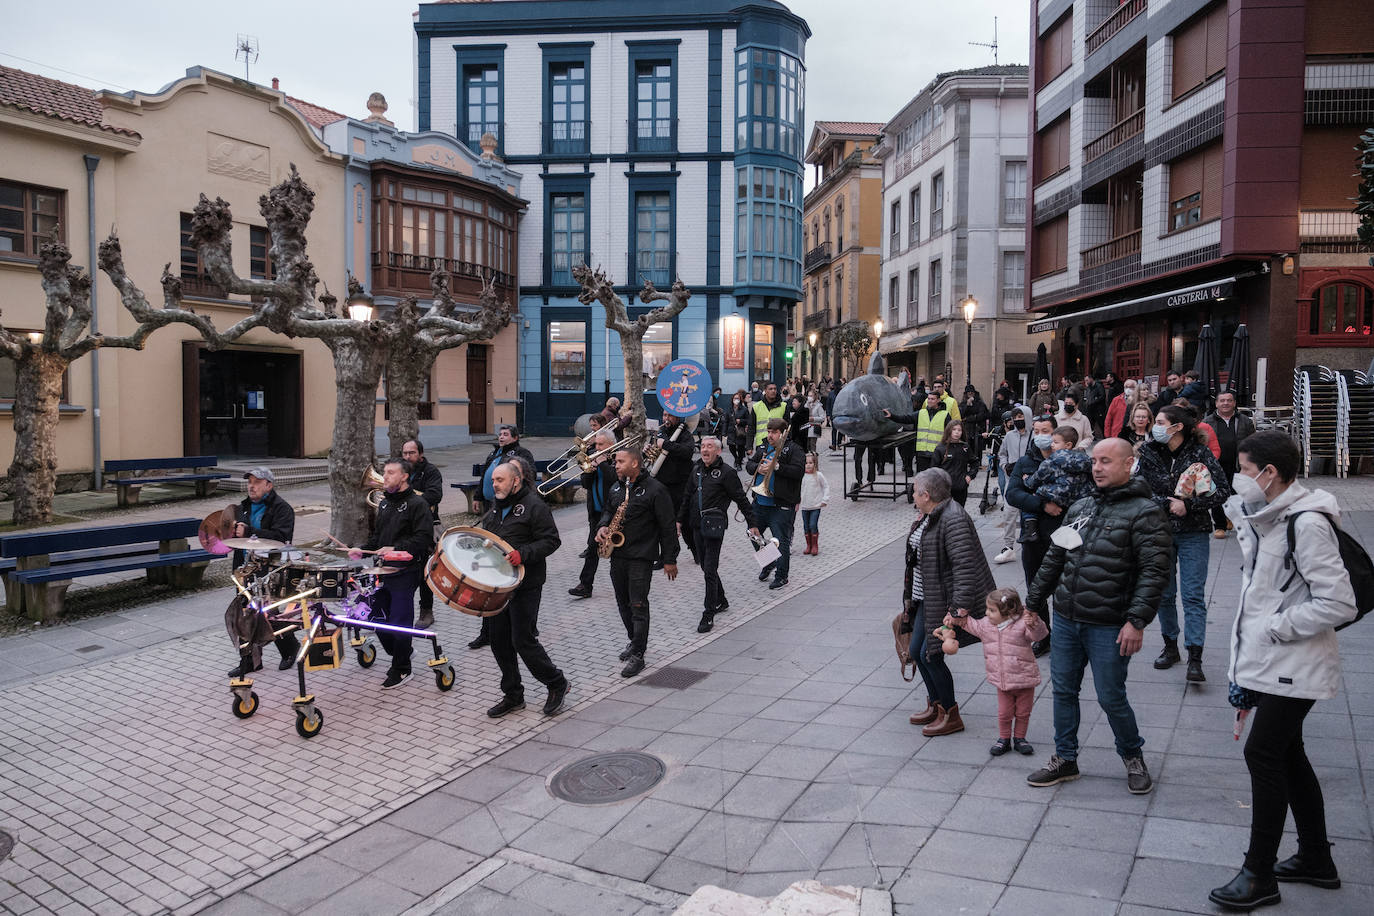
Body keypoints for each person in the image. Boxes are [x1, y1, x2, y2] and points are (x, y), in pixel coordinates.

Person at [1207, 431, 1357, 911]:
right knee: (1289, 756)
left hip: (1295, 660)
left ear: (1270, 474)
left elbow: (1338, 601)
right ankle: (1316, 858)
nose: (1239, 477)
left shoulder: (1306, 523)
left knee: (1264, 754)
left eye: (1245, 469)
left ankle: (1258, 874)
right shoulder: (1272, 519)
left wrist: (1278, 627)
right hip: (1276, 661)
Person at [1025, 438, 1172, 794]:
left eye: (1106, 461)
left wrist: (1136, 621)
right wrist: (1032, 602)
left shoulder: (1146, 512)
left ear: (1128, 465)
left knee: (1110, 695)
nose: (1098, 468)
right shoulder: (1081, 507)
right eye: (1095, 461)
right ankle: (1065, 758)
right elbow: (1054, 558)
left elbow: (1155, 572)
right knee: (1062, 690)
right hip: (1067, 618)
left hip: (1110, 623)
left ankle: (1132, 755)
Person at [1136, 404, 1230, 681]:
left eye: (1162, 422)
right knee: (1164, 594)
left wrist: (1190, 506)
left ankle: (1195, 656)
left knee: (1192, 595)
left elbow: (1222, 490)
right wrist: (1167, 503)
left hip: (1193, 532)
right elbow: (1138, 490)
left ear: (1177, 427)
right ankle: (1170, 646)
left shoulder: (1200, 453)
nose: (1156, 426)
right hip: (1159, 532)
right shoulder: (1149, 452)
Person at [902, 468, 995, 737]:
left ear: (926, 494)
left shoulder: (952, 518)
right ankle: (936, 705)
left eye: (915, 489)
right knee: (921, 652)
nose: (912, 494)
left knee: (930, 655)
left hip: (941, 600)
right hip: (925, 596)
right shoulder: (931, 515)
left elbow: (965, 567)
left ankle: (950, 714)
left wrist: (957, 609)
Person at [479, 461, 570, 718]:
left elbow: (552, 540)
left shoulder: (535, 506)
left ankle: (556, 683)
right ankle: (513, 695)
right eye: (493, 480)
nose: (494, 484)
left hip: (526, 584)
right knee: (498, 640)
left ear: (515, 481)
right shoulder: (496, 508)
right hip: (498, 585)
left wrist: (523, 554)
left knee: (522, 640)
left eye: (499, 480)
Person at [349, 458, 435, 689]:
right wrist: (362, 548)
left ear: (404, 476)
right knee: (375, 617)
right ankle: (403, 650)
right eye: (384, 473)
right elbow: (379, 538)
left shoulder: (418, 504)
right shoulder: (385, 503)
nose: (384, 477)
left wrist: (396, 549)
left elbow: (424, 539)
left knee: (399, 621)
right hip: (382, 570)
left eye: (389, 473)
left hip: (406, 571)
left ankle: (402, 669)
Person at [596, 446, 679, 677]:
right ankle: (634, 640)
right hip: (618, 556)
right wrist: (602, 527)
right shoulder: (616, 486)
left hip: (641, 557)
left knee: (638, 605)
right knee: (623, 604)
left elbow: (668, 527)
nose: (616, 465)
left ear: (635, 463)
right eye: (616, 461)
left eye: (620, 461)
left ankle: (638, 655)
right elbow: (607, 512)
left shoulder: (655, 489)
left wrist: (670, 559)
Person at [945, 587, 1048, 756]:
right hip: (1002, 680)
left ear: (1008, 612)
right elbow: (970, 624)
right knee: (1004, 712)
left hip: (1024, 678)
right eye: (987, 609)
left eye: (992, 610)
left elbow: (1039, 635)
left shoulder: (1023, 623)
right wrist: (955, 618)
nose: (987, 613)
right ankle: (1004, 739)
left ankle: (1020, 738)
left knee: (1023, 712)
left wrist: (1034, 623)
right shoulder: (986, 625)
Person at [678, 436, 759, 633]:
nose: (704, 450)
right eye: (703, 446)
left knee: (710, 569)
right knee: (706, 567)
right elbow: (687, 496)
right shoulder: (696, 470)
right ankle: (721, 600)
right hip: (696, 525)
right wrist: (679, 520)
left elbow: (741, 500)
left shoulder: (727, 473)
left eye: (709, 447)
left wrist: (753, 524)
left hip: (714, 527)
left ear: (718, 451)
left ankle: (708, 614)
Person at [224, 467, 299, 677]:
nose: (252, 485)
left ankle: (290, 649)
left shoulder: (282, 509)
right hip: (244, 569)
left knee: (268, 613)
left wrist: (250, 532)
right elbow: (235, 537)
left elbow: (281, 537)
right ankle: (249, 661)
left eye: (257, 482)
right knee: (243, 615)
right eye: (250, 481)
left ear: (269, 485)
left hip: (269, 569)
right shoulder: (242, 508)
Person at [469, 426, 536, 650]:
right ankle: (486, 632)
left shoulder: (522, 454)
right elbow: (485, 478)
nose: (501, 436)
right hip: (495, 505)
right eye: (500, 433)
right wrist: (479, 495)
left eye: (506, 434)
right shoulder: (494, 454)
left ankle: (525, 630)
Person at [1003, 415, 1062, 655]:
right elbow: (1012, 494)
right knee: (1035, 588)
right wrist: (1042, 504)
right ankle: (1043, 635)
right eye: (1036, 431)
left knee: (1062, 589)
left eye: (1045, 430)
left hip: (1061, 535)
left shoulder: (1067, 460)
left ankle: (1065, 636)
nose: (1040, 435)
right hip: (1033, 537)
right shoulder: (1026, 461)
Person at [746, 417, 806, 590]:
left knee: (781, 540)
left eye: (774, 432)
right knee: (752, 533)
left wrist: (777, 467)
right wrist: (759, 467)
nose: (770, 435)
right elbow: (749, 465)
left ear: (783, 433)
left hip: (781, 504)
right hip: (760, 502)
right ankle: (769, 561)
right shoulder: (763, 447)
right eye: (769, 431)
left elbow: (798, 472)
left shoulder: (793, 449)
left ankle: (781, 577)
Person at [569, 430, 618, 599]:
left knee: (616, 552)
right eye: (596, 444)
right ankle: (585, 585)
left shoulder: (617, 458)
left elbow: (616, 480)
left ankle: (621, 584)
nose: (596, 448)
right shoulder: (593, 458)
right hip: (596, 513)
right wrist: (589, 470)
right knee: (592, 549)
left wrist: (603, 464)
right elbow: (586, 485)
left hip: (613, 514)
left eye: (600, 445)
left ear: (611, 445)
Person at [402, 439, 443, 630]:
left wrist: (410, 501)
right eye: (405, 453)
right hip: (403, 528)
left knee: (424, 574)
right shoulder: (401, 470)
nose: (408, 457)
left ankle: (427, 611)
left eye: (411, 453)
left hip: (425, 526)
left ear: (420, 453)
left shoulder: (431, 471)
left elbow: (435, 495)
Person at [1205, 389, 1256, 539]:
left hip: (1238, 465)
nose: (1225, 403)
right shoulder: (1207, 421)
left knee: (1238, 496)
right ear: (1216, 404)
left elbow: (1253, 442)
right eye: (1222, 400)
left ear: (1234, 403)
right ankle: (1220, 526)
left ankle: (1239, 522)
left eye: (1229, 400)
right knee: (1215, 495)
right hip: (1216, 465)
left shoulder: (1245, 421)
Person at [650, 414, 696, 563]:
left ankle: (696, 550)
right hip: (661, 483)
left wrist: (665, 445)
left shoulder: (685, 434)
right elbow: (654, 454)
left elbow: (687, 452)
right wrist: (648, 450)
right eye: (664, 415)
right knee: (663, 522)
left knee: (685, 522)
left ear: (677, 418)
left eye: (670, 416)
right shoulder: (660, 432)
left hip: (679, 484)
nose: (666, 418)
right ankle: (666, 557)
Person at [1023, 427, 1095, 515]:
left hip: (1059, 497)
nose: (1052, 445)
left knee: (1037, 493)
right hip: (1080, 498)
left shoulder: (1052, 461)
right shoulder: (1083, 459)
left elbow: (1038, 477)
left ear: (1068, 445)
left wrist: (1027, 480)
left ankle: (1030, 521)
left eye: (1056, 442)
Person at [994, 407, 1031, 565]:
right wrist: (1004, 466)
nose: (1017, 419)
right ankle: (1008, 547)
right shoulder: (1009, 436)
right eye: (1015, 416)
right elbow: (1002, 454)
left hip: (1029, 482)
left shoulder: (1035, 436)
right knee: (1009, 513)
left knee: (1028, 514)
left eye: (1021, 416)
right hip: (1012, 480)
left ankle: (1028, 543)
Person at [932, 421, 974, 507]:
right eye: (954, 429)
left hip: (961, 488)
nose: (957, 432)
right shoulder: (940, 448)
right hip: (945, 489)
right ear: (948, 431)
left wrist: (970, 476)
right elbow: (934, 469)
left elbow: (975, 463)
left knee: (959, 512)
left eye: (959, 430)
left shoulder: (965, 447)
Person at [799, 451, 830, 556]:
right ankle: (809, 545)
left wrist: (825, 500)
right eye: (806, 463)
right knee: (806, 526)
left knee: (813, 525)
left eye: (810, 463)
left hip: (816, 506)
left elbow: (826, 487)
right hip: (805, 506)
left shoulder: (818, 475)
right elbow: (798, 489)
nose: (808, 465)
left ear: (815, 464)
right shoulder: (801, 476)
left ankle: (815, 545)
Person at [748, 382, 787, 448]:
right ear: (765, 391)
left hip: (778, 444)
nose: (773, 391)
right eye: (770, 389)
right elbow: (751, 428)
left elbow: (787, 427)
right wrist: (749, 446)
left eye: (775, 389)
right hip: (761, 443)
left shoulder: (783, 406)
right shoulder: (756, 406)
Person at [727, 389, 751, 468]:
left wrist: (740, 421)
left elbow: (748, 420)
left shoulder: (744, 409)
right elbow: (725, 420)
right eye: (735, 398)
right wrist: (724, 432)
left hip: (740, 431)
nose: (736, 400)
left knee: (741, 448)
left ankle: (739, 462)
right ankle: (736, 458)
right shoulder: (729, 409)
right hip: (731, 431)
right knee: (731, 447)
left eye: (737, 398)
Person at [806, 389, 826, 454]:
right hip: (806, 427)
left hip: (814, 427)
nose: (809, 397)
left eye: (811, 396)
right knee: (806, 445)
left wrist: (813, 419)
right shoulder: (806, 405)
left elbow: (822, 417)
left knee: (812, 444)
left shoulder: (819, 406)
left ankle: (813, 459)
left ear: (815, 396)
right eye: (808, 395)